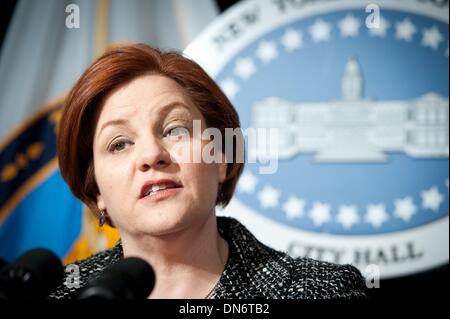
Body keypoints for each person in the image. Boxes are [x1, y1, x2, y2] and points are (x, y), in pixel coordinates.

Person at [49, 43, 368, 299]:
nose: (151, 155)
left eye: (175, 129)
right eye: (119, 144)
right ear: (95, 191)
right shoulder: (58, 294)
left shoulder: (323, 291)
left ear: (222, 159)